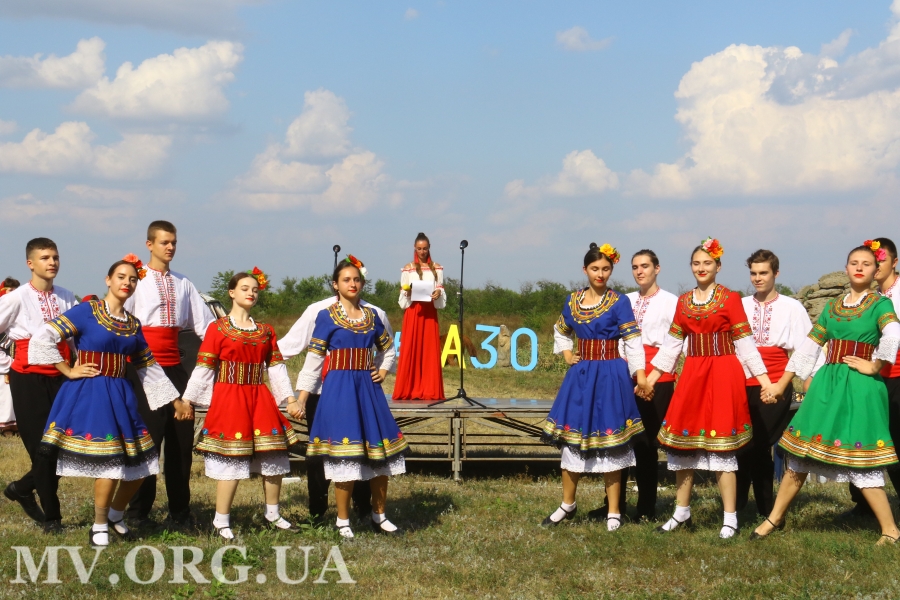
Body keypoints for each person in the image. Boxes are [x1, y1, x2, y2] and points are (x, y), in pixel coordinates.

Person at [751, 242, 900, 544]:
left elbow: (893, 333)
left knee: (861, 456)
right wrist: (781, 384)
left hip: (860, 387)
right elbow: (808, 347)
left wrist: (875, 365)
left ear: (876, 270)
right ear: (846, 268)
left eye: (866, 263)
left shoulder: (880, 304)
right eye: (854, 262)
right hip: (827, 384)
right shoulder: (833, 306)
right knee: (800, 451)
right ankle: (774, 518)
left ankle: (890, 529)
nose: (859, 267)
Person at [28, 260, 185, 546]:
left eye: (133, 279)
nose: (127, 283)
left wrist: (175, 401)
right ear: (108, 280)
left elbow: (147, 366)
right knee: (109, 462)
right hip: (91, 392)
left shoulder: (133, 324)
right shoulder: (87, 311)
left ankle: (115, 515)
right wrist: (67, 369)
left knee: (144, 464)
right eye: (121, 277)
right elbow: (43, 336)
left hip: (121, 393)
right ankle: (98, 525)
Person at [648, 237, 773, 539]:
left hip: (723, 373)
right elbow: (672, 345)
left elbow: (745, 344)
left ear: (718, 266)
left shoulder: (730, 298)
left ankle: (730, 517)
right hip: (693, 374)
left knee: (722, 447)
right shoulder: (683, 302)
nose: (701, 268)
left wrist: (766, 382)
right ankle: (681, 511)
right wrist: (651, 379)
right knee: (683, 442)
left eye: (707, 263)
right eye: (696, 263)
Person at [290, 255, 407, 539]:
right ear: (335, 285)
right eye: (346, 280)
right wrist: (301, 398)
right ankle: (342, 520)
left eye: (356, 279)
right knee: (345, 455)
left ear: (362, 283)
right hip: (339, 390)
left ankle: (379, 515)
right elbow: (314, 361)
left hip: (368, 390)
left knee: (379, 453)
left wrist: (382, 370)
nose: (352, 284)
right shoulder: (326, 316)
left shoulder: (372, 316)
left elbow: (389, 349)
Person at [540, 243, 652, 532]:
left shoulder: (619, 302)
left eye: (605, 269)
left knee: (612, 441)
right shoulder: (573, 301)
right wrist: (568, 354)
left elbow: (633, 341)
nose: (600, 274)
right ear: (585, 270)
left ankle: (614, 510)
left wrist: (640, 375)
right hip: (581, 376)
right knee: (572, 439)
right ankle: (568, 503)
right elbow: (561, 330)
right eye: (594, 269)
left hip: (611, 374)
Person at [182, 268, 301, 539]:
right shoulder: (218, 328)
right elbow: (204, 366)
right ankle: (221, 520)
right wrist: (188, 398)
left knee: (273, 452)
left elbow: (276, 368)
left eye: (255, 290)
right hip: (230, 397)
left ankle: (273, 514)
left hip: (259, 396)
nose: (251, 293)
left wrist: (290, 399)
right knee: (232, 458)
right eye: (245, 288)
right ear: (232, 293)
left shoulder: (265, 331)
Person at [124, 221, 215, 529]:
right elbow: (123, 321)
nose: (170, 247)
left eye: (173, 242)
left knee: (180, 442)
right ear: (149, 245)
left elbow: (205, 326)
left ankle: (180, 511)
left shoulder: (183, 282)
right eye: (164, 242)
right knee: (147, 441)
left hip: (175, 369)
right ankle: (138, 513)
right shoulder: (137, 280)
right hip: (143, 369)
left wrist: (227, 347)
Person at [588, 249, 679, 523]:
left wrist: (650, 378)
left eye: (645, 266)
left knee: (646, 444)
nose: (640, 271)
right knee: (619, 440)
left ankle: (646, 508)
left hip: (657, 377)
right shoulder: (624, 299)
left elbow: (675, 344)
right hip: (623, 374)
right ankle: (614, 505)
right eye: (635, 267)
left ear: (657, 268)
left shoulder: (670, 302)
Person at [0, 239, 78, 533]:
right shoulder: (16, 298)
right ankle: (53, 519)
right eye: (45, 257)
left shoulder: (67, 297)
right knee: (42, 450)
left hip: (62, 376)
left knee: (65, 447)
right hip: (28, 378)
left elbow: (75, 337)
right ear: (30, 263)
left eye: (55, 257)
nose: (52, 262)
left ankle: (22, 488)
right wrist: (8, 361)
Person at [737, 249, 821, 518]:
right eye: (753, 273)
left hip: (777, 382)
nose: (758, 278)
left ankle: (765, 510)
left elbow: (808, 346)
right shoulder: (740, 305)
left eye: (763, 273)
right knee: (741, 443)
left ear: (776, 273)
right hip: (742, 381)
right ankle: (737, 507)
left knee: (761, 443)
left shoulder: (791, 307)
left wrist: (808, 381)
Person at [844, 237, 900, 518]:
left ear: (894, 262)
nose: (875, 266)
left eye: (881, 260)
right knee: (864, 435)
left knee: (895, 439)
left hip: (896, 374)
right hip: (871, 376)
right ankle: (863, 503)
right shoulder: (869, 297)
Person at [393, 232, 446, 401]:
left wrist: (438, 293)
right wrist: (407, 292)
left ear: (429, 248)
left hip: (429, 313)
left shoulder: (437, 268)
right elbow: (403, 294)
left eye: (425, 248)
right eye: (419, 248)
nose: (422, 252)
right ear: (414, 249)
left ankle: (429, 389)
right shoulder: (408, 268)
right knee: (410, 349)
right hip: (413, 312)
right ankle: (408, 389)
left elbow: (440, 289)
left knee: (429, 350)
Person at [0, 277, 21, 436]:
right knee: (5, 394)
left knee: (14, 394)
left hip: (15, 359)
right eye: (10, 290)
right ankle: (5, 426)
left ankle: (15, 425)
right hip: (4, 360)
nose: (13, 293)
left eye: (15, 291)